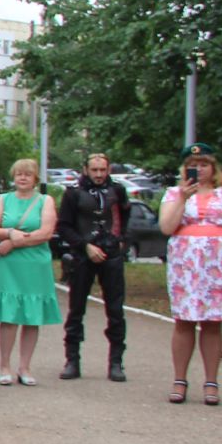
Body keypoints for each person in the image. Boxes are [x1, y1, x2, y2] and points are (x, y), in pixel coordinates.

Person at [159, 143, 222, 405]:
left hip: (217, 266)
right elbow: (167, 227)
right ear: (184, 169)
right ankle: (179, 379)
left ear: (213, 168)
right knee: (183, 321)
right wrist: (183, 198)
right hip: (185, 266)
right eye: (193, 165)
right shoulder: (174, 193)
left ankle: (211, 381)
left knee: (212, 323)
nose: (198, 170)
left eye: (203, 165)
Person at [56, 153, 134, 381]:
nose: (99, 175)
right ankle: (72, 360)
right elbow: (64, 226)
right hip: (82, 256)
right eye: (94, 170)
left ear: (108, 169)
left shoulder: (117, 191)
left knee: (116, 310)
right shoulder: (73, 192)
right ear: (86, 169)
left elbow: (127, 218)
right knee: (76, 309)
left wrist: (122, 243)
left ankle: (116, 362)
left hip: (112, 255)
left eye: (103, 170)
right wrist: (85, 246)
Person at [0, 158, 62, 386]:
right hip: (11, 265)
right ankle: (4, 365)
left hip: (35, 262)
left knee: (32, 315)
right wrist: (10, 232)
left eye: (27, 175)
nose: (22, 178)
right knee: (9, 315)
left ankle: (25, 367)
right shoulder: (4, 199)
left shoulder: (45, 200)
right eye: (18, 174)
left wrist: (15, 242)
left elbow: (46, 232)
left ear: (35, 178)